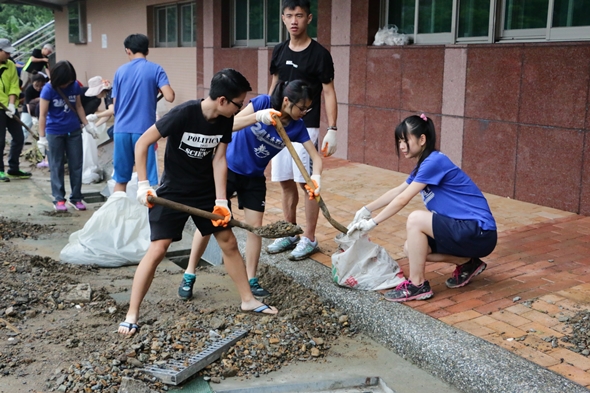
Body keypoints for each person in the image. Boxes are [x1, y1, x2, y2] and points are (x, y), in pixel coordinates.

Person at [118, 69, 278, 336]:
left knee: (228, 241)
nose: (241, 109)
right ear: (223, 100)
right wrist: (143, 184)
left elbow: (218, 159)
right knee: (158, 249)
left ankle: (248, 300)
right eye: (239, 103)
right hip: (173, 193)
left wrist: (220, 200)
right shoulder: (184, 113)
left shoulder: (225, 120)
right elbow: (143, 142)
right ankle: (132, 312)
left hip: (204, 192)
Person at [178, 80, 322, 300]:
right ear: (286, 101)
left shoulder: (296, 126)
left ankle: (251, 279)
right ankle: (189, 273)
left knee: (256, 228)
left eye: (307, 109)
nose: (304, 112)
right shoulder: (263, 102)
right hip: (228, 169)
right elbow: (230, 124)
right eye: (302, 108)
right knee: (210, 221)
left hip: (254, 177)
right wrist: (258, 116)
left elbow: (315, 157)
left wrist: (316, 178)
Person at [347, 114, 497, 302]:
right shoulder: (423, 166)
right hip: (464, 230)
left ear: (422, 139)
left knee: (416, 219)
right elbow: (398, 191)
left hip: (479, 231)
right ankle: (467, 263)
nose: (401, 146)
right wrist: (366, 209)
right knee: (413, 249)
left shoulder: (434, 162)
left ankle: (417, 285)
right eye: (399, 141)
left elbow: (403, 199)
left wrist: (372, 223)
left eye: (405, 140)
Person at [265, 0, 339, 260]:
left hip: (305, 128)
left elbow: (328, 91)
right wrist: (266, 113)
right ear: (283, 19)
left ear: (309, 18)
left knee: (306, 184)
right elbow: (274, 84)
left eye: (299, 15)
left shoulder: (319, 54)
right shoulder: (279, 50)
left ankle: (309, 237)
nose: (294, 20)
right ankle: (290, 232)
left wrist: (333, 128)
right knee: (285, 182)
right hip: (279, 126)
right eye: (289, 15)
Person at [112, 34, 174, 192]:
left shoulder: (120, 71)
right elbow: (170, 96)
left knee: (120, 181)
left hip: (121, 130)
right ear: (147, 50)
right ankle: (147, 216)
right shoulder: (156, 69)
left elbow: (115, 105)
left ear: (128, 51)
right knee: (146, 182)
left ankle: (118, 214)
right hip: (145, 133)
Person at [37, 60, 98, 212]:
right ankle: (59, 199)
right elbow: (43, 115)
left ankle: (76, 198)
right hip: (55, 132)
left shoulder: (74, 86)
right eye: (65, 82)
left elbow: (78, 106)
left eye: (69, 81)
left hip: (74, 131)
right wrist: (42, 137)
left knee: (76, 165)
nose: (67, 85)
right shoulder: (48, 89)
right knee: (56, 165)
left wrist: (87, 124)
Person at [0, 38, 30, 182]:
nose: (8, 55)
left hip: (9, 107)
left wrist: (12, 105)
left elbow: (13, 85)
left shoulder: (10, 65)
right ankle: (0, 170)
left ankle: (13, 168)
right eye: (6, 53)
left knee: (19, 137)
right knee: (0, 141)